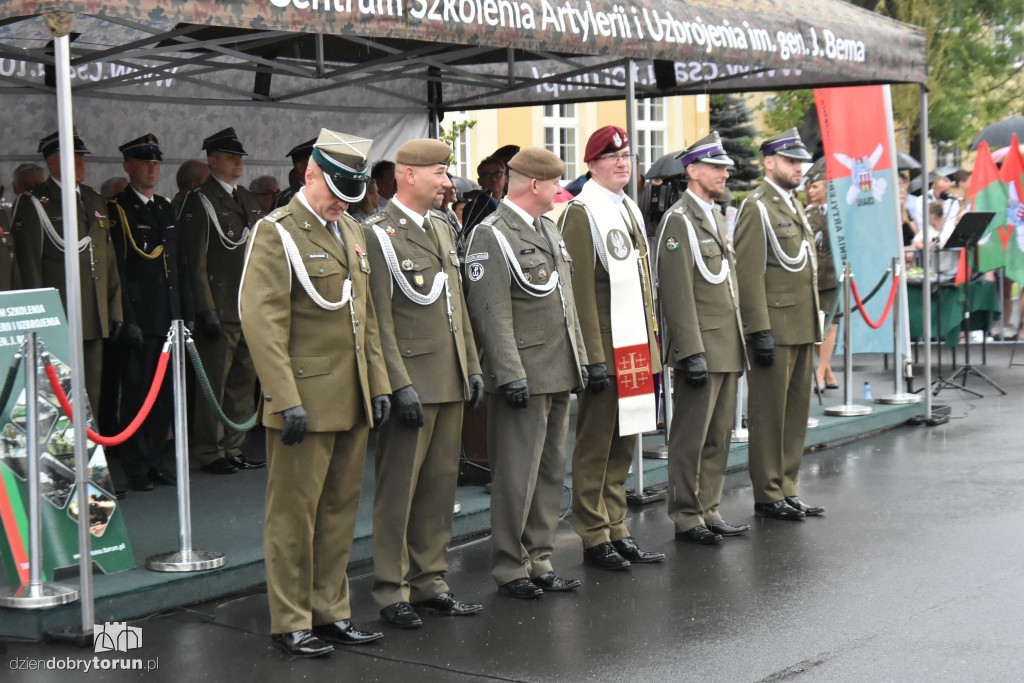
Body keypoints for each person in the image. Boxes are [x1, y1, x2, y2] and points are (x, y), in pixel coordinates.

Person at [239, 128, 392, 658]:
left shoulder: (349, 228)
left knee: (339, 512)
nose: (341, 205)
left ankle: (330, 610)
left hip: (349, 395)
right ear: (310, 174)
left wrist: (376, 384)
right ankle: (290, 619)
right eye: (334, 193)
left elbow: (364, 317)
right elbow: (262, 321)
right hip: (302, 398)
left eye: (350, 196)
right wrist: (284, 397)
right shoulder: (276, 232)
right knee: (292, 517)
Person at [362, 139, 485, 629]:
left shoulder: (440, 225)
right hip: (412, 380)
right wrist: (397, 382)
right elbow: (377, 317)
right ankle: (392, 590)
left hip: (449, 376)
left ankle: (431, 579)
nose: (448, 182)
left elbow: (456, 305)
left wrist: (472, 366)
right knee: (399, 491)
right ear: (408, 175)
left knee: (438, 488)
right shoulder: (377, 233)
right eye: (440, 171)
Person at [464, 147, 588, 599]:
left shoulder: (547, 230)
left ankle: (540, 557)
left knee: (551, 472)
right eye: (555, 182)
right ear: (534, 185)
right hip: (523, 374)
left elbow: (564, 305)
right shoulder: (491, 235)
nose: (560, 189)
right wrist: (509, 372)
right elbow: (490, 311)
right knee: (516, 476)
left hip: (556, 369)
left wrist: (581, 359)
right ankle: (510, 566)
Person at [558, 125, 664, 569]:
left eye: (626, 156)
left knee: (625, 441)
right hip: (606, 348)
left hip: (635, 344)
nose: (623, 163)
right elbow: (578, 292)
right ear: (591, 165)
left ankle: (616, 525)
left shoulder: (628, 209)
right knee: (596, 444)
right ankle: (592, 532)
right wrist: (591, 359)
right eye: (611, 157)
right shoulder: (582, 213)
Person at [655, 132, 749, 544]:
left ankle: (709, 507)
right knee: (691, 436)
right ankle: (686, 514)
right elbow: (676, 290)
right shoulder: (679, 220)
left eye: (725, 167)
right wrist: (689, 350)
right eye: (716, 167)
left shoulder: (715, 215)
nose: (725, 173)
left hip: (726, 344)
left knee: (718, 434)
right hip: (702, 346)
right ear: (692, 171)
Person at [733, 128, 824, 520]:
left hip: (801, 323)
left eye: (800, 161)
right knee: (770, 414)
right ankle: (768, 492)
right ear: (769, 163)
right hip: (775, 327)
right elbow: (749, 273)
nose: (798, 168)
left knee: (795, 412)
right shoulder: (757, 206)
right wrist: (759, 329)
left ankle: (788, 485)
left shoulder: (792, 203)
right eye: (790, 161)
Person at [11, 129, 122, 408]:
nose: (83, 163)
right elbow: (30, 265)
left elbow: (107, 257)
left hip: (94, 313)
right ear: (53, 162)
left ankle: (92, 448)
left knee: (91, 392)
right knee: (57, 396)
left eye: (82, 157)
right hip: (58, 314)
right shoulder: (35, 202)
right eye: (75, 157)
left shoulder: (93, 198)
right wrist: (40, 318)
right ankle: (67, 452)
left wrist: (114, 307)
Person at [108, 133, 194, 492]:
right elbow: (120, 270)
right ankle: (137, 466)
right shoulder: (118, 209)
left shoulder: (164, 207)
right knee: (139, 396)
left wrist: (186, 312)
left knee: (164, 398)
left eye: (156, 163)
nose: (152, 169)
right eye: (145, 163)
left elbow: (180, 263)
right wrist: (128, 318)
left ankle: (157, 459)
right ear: (128, 167)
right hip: (142, 319)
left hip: (169, 318)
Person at [178, 127, 264, 475]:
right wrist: (205, 308)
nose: (238, 162)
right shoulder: (200, 201)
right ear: (212, 161)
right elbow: (194, 261)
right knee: (214, 382)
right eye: (230, 157)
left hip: (249, 306)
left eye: (240, 157)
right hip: (220, 305)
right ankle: (211, 450)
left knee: (242, 381)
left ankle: (233, 446)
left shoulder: (247, 199)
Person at [805, 162, 840, 391]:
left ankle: (821, 371)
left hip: (833, 275)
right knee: (815, 326)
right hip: (812, 276)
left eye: (815, 186)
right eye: (809, 187)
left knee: (830, 325)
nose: (810, 191)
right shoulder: (806, 213)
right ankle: (826, 370)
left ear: (827, 188)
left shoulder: (839, 212)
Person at [461, 156, 506, 232]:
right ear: (480, 181)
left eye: (498, 174)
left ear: (506, 178)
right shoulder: (473, 208)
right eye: (487, 175)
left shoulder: (513, 203)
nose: (493, 178)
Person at [274, 137, 316, 209]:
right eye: (315, 161)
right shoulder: (285, 199)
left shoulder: (325, 193)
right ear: (300, 167)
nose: (321, 167)